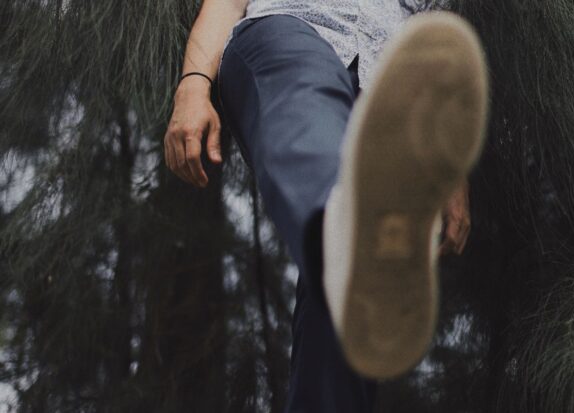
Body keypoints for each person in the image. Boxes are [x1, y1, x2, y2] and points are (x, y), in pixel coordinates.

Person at [164, 0, 489, 411]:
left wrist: (448, 166)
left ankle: (350, 248)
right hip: (290, 30)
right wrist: (193, 85)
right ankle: (346, 236)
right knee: (311, 117)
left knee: (344, 308)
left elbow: (440, 32)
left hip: (390, 84)